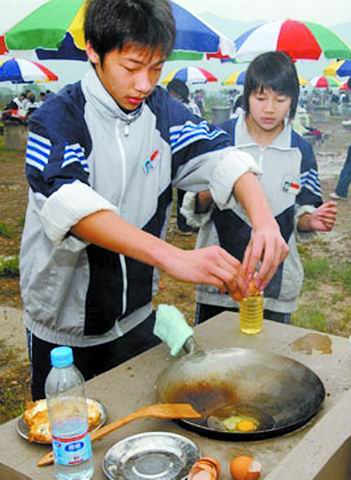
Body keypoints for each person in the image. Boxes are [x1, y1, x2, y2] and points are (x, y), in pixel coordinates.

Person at [20, 0, 288, 400]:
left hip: (136, 318)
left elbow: (223, 158)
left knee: (140, 421)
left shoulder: (162, 112)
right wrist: (173, 256)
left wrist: (265, 221)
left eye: (157, 68)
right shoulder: (58, 120)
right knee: (71, 432)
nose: (145, 84)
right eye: (131, 67)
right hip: (64, 328)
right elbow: (71, 207)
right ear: (93, 50)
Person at [182, 52, 337, 324]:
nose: (269, 109)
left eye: (280, 100)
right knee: (214, 360)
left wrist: (310, 221)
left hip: (274, 286)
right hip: (220, 280)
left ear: (292, 101)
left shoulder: (300, 150)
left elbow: (301, 208)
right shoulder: (219, 138)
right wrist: (211, 192)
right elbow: (192, 208)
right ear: (246, 97)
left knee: (272, 362)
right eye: (260, 98)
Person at [166, 78, 200, 234]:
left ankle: (187, 222)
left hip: (188, 153)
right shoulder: (183, 107)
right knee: (182, 192)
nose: (171, 95)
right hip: (181, 154)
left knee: (188, 191)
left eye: (173, 92)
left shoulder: (186, 108)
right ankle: (183, 223)